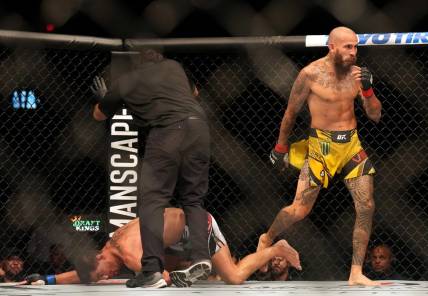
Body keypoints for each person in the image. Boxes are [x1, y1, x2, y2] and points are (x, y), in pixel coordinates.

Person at [257, 26, 382, 286]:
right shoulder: (310, 74)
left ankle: (356, 272)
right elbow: (290, 113)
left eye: (356, 47)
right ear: (332, 47)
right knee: (299, 209)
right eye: (348, 47)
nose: (353, 52)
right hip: (321, 147)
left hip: (351, 145)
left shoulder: (358, 75)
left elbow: (375, 115)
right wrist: (281, 148)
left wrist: (368, 91)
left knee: (366, 206)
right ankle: (267, 238)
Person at [91, 49, 212, 288]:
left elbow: (98, 115)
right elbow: (195, 93)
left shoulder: (127, 80)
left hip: (168, 132)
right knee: (193, 200)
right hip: (199, 127)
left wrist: (106, 97)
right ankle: (201, 257)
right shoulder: (174, 66)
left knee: (152, 201)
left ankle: (152, 270)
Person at [25, 208, 301, 286]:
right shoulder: (113, 247)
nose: (107, 276)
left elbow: (165, 280)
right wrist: (48, 279)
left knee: (234, 277)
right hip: (177, 239)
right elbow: (89, 273)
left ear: (100, 257)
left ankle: (275, 249)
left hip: (196, 226)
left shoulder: (129, 252)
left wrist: (170, 276)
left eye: (105, 273)